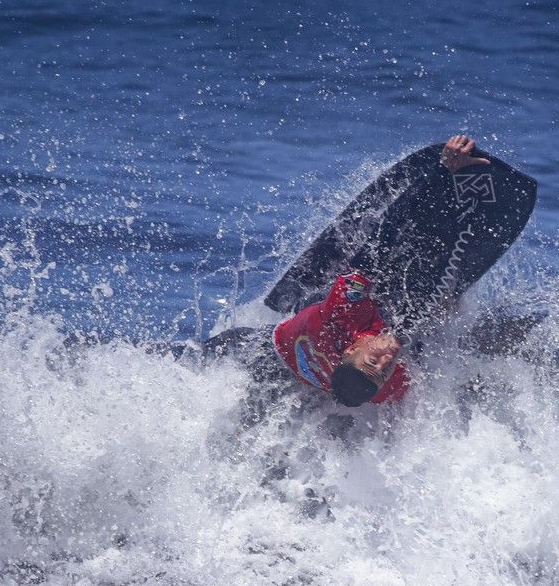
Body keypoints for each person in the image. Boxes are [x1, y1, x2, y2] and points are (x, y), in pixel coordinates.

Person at [209, 135, 492, 409]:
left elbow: (386, 233)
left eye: (372, 362)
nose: (386, 361)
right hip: (300, 366)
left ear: (349, 351)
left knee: (373, 273)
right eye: (382, 372)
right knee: (427, 319)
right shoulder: (391, 386)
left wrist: (443, 172)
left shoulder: (344, 309)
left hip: (271, 352)